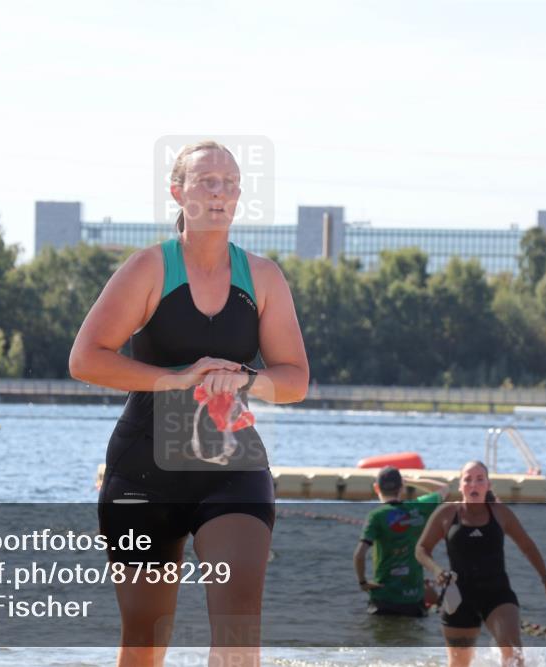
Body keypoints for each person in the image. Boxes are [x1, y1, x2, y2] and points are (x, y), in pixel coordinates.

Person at [69, 140, 309, 667]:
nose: (220, 191)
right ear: (178, 192)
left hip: (233, 468)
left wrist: (245, 381)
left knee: (239, 631)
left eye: (229, 182)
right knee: (144, 643)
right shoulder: (148, 269)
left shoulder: (263, 277)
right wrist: (177, 379)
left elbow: (294, 380)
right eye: (207, 181)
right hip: (143, 472)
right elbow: (86, 359)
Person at [415, 461, 546, 667]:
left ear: (488, 485)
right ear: (460, 485)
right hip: (458, 597)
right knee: (458, 665)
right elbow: (421, 549)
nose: (473, 484)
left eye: (479, 479)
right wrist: (437, 570)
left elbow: (527, 545)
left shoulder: (500, 513)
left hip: (497, 593)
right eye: (468, 479)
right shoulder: (447, 514)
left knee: (514, 653)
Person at [353, 467, 450, 617]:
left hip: (383, 598)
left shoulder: (376, 516)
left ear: (376, 488)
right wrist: (411, 481)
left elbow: (359, 554)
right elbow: (444, 488)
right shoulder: (419, 507)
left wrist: (363, 582)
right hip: (412, 598)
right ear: (402, 487)